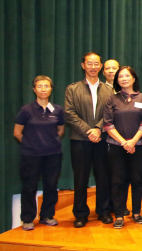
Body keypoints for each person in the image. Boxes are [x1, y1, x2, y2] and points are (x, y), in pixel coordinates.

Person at [64, 52, 114, 228]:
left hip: (103, 139)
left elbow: (111, 113)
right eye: (89, 64)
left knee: (103, 176)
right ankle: (80, 214)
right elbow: (70, 114)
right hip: (80, 140)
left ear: (101, 67)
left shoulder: (109, 90)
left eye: (96, 64)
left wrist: (98, 129)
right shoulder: (72, 89)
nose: (93, 67)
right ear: (83, 65)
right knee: (80, 178)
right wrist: (88, 131)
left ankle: (104, 211)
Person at [103, 66, 142, 229]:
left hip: (138, 146)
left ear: (133, 78)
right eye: (120, 76)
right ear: (117, 81)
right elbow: (108, 124)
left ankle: (136, 213)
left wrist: (132, 142)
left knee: (137, 180)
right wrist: (124, 142)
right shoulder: (112, 99)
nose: (124, 79)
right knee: (118, 180)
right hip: (116, 146)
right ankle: (118, 214)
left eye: (127, 76)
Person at [14, 76, 65, 230]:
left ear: (51, 89)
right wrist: (32, 144)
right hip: (31, 156)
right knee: (29, 186)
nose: (43, 89)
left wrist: (48, 143)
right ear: (34, 89)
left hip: (53, 155)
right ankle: (28, 219)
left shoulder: (58, 110)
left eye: (46, 86)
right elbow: (17, 132)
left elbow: (60, 130)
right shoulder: (26, 110)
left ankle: (47, 216)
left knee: (51, 185)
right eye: (40, 86)